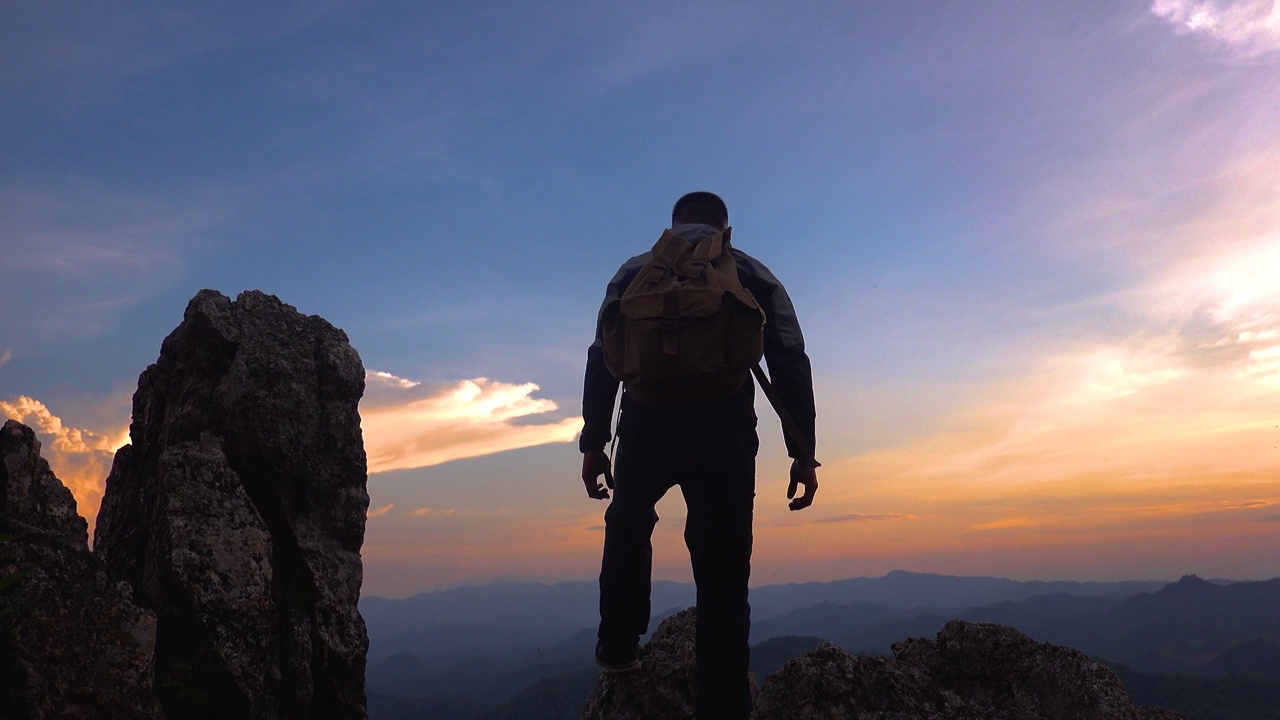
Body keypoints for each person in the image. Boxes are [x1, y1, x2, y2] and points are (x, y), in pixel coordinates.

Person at [580, 191, 819, 718]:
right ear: (724, 230)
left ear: (672, 225)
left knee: (629, 522)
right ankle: (724, 702)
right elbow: (790, 355)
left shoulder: (635, 271)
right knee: (723, 561)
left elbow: (602, 357)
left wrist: (593, 444)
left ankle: (618, 648)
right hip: (724, 428)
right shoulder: (750, 273)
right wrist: (803, 453)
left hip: (646, 423)